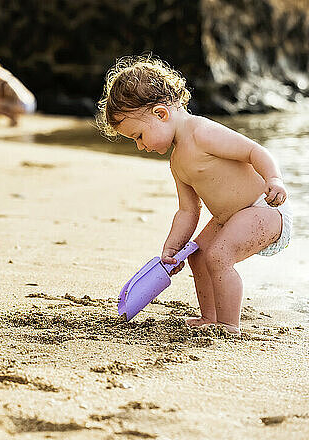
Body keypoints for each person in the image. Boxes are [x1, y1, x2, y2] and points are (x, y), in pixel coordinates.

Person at [96, 55, 292, 335]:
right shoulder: (177, 162)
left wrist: (274, 179)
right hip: (230, 217)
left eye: (139, 136)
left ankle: (228, 325)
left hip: (265, 208)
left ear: (161, 114)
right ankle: (210, 317)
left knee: (219, 255)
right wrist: (173, 248)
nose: (140, 146)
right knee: (199, 256)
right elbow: (188, 210)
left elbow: (255, 151)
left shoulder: (203, 133)